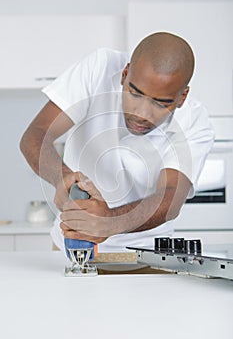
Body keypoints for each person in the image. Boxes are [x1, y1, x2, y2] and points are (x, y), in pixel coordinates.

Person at [20, 32, 214, 255]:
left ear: (182, 97)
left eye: (161, 104)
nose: (142, 114)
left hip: (148, 252)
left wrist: (110, 222)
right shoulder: (99, 68)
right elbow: (36, 135)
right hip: (69, 242)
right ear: (124, 74)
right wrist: (61, 177)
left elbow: (171, 196)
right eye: (135, 93)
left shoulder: (195, 121)